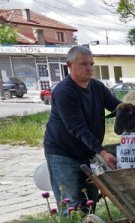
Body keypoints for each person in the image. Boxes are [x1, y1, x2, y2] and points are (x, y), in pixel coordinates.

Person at [44, 45, 121, 209]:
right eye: (84, 64)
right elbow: (77, 128)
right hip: (63, 153)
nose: (89, 68)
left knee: (90, 200)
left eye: (91, 64)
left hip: (88, 152)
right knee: (71, 203)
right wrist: (102, 152)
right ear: (69, 65)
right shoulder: (64, 92)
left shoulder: (97, 87)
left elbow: (116, 106)